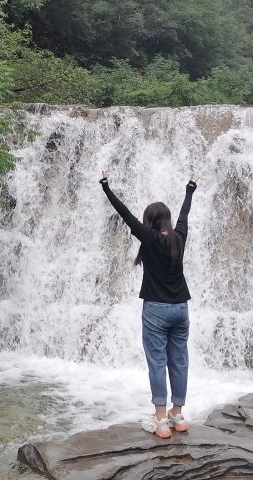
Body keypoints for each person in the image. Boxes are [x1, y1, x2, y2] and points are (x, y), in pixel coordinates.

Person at [99, 170, 198, 439]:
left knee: (157, 362)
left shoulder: (149, 238)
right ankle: (178, 415)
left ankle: (160, 420)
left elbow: (125, 213)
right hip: (180, 309)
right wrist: (190, 190)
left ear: (150, 222)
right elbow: (184, 215)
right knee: (179, 361)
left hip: (156, 309)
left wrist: (106, 187)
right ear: (166, 220)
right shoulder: (179, 237)